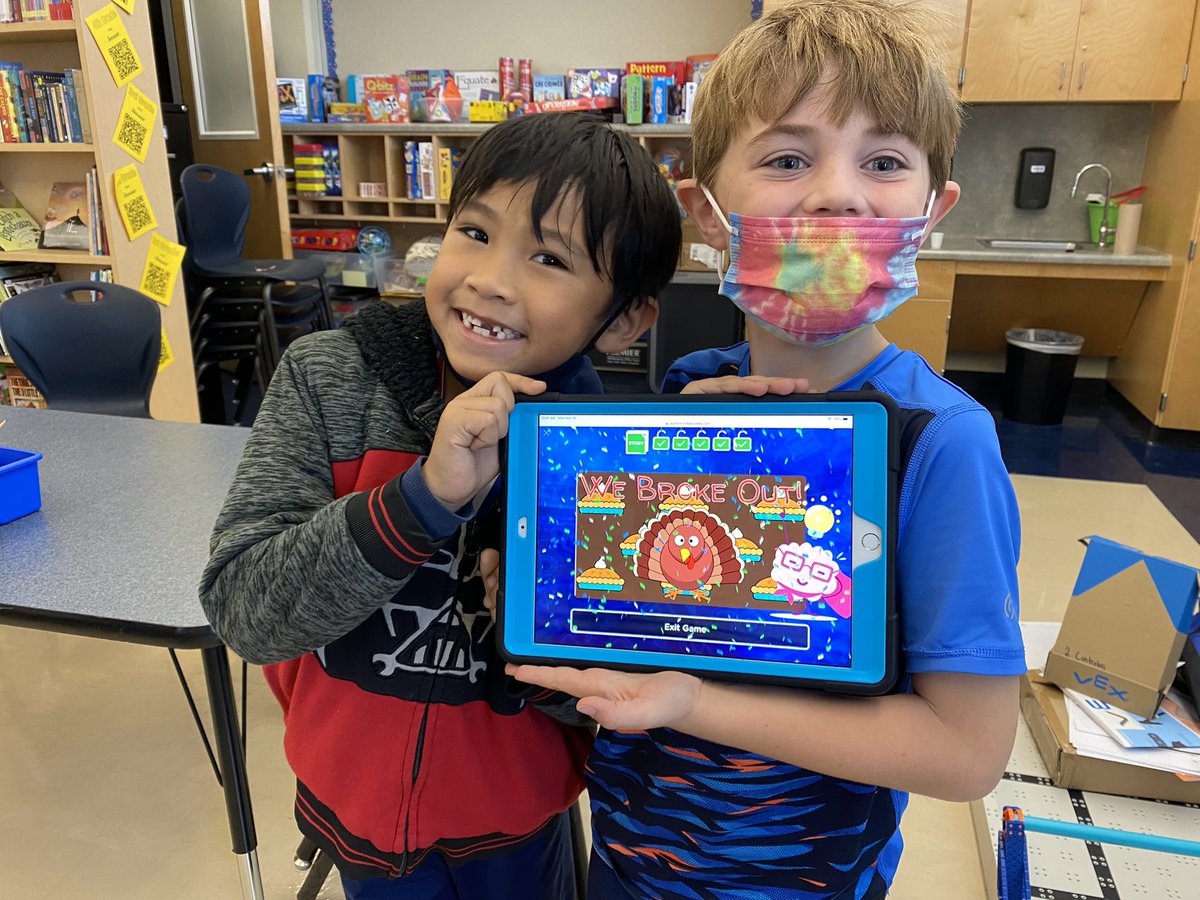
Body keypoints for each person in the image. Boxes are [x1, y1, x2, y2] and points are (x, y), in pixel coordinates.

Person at [501, 3, 1026, 897]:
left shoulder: (943, 445)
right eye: (788, 158)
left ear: (931, 210)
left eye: (886, 161)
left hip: (800, 881)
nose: (836, 193)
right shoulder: (689, 399)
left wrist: (698, 705)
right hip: (625, 864)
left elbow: (966, 753)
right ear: (708, 212)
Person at [199, 111, 682, 899]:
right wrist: (421, 499)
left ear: (623, 319)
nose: (491, 278)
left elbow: (618, 696)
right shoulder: (329, 380)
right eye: (474, 231)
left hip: (520, 826)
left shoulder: (611, 457)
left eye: (549, 258)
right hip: (354, 812)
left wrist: (541, 632)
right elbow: (245, 611)